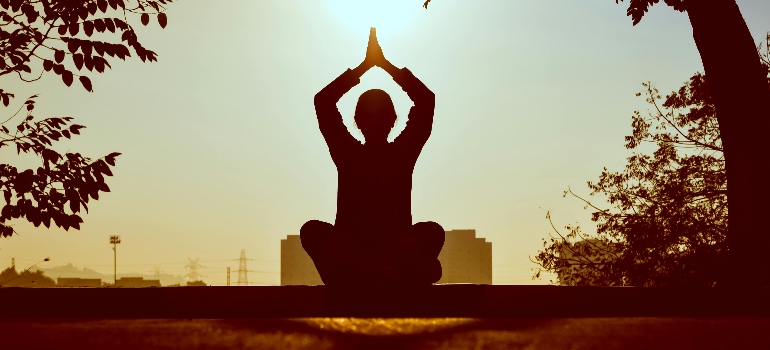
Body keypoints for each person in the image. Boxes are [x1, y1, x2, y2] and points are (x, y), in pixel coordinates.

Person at [301, 28, 444, 286]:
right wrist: (368, 66)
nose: (376, 121)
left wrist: (382, 65)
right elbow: (322, 102)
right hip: (358, 255)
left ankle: (373, 270)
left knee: (433, 232)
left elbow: (426, 100)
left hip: (384, 254)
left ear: (392, 120)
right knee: (311, 231)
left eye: (381, 115)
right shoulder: (348, 152)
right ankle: (381, 271)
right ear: (357, 121)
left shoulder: (401, 153)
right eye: (370, 115)